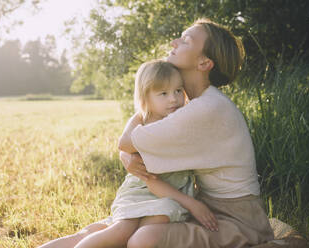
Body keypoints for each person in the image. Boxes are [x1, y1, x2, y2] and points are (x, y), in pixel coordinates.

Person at [119, 18, 275, 248]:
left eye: (185, 40)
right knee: (116, 227)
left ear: (204, 62)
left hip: (239, 220)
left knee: (143, 238)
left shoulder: (206, 109)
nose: (174, 42)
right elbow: (135, 145)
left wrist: (128, 155)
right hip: (205, 205)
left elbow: (129, 142)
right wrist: (128, 156)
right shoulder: (191, 103)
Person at [38, 60, 218, 248]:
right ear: (145, 98)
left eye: (178, 90)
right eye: (163, 93)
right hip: (143, 191)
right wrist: (191, 203)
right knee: (122, 230)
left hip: (168, 196)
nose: (173, 99)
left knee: (139, 228)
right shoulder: (144, 121)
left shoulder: (180, 118)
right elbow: (126, 147)